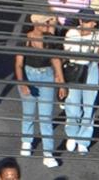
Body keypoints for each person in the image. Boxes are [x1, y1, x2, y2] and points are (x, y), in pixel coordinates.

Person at [15, 14, 64, 168]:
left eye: (48, 22)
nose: (47, 25)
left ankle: (48, 153)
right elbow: (18, 64)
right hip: (29, 76)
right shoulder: (25, 39)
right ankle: (26, 142)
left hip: (47, 77)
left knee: (45, 117)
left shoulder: (50, 39)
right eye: (44, 22)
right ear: (35, 24)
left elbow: (56, 60)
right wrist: (22, 83)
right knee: (28, 113)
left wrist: (61, 82)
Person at [62, 11, 99, 155]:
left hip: (92, 70)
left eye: (91, 21)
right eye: (86, 21)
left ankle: (83, 140)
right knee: (73, 107)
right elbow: (64, 57)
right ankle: (72, 134)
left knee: (89, 107)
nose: (89, 24)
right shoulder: (71, 34)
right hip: (74, 71)